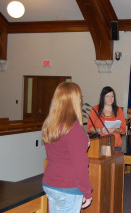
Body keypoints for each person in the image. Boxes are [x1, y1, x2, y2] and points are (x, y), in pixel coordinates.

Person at [42, 82, 92, 212]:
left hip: (50, 183)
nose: (81, 101)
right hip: (68, 186)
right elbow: (80, 164)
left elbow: (59, 153)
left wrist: (82, 143)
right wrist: (87, 191)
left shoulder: (50, 124)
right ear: (73, 101)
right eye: (79, 98)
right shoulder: (73, 128)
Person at [87, 86, 126, 151]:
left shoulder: (119, 110)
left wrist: (115, 130)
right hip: (99, 145)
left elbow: (123, 130)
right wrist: (100, 130)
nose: (110, 98)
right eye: (107, 96)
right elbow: (89, 128)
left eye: (112, 96)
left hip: (115, 146)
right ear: (103, 97)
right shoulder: (95, 109)